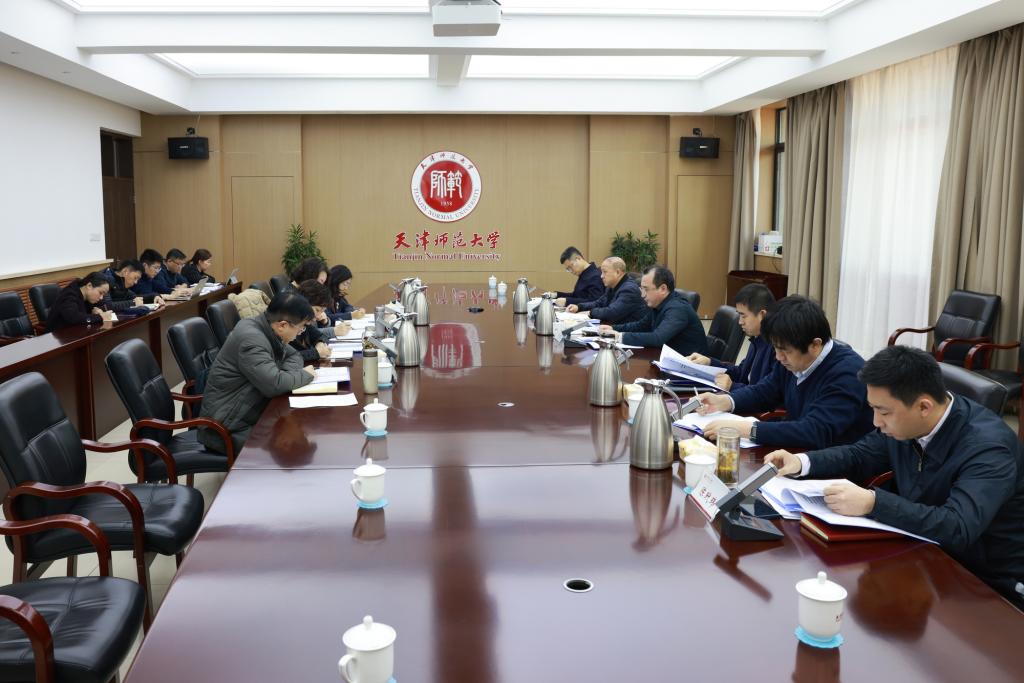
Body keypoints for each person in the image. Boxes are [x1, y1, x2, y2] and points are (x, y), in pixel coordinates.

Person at [764, 345, 1024, 608]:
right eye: (873, 409)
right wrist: (802, 462)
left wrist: (873, 503)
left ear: (924, 407)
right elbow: (860, 454)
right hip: (923, 549)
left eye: (884, 412)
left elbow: (957, 527)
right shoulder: (911, 423)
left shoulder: (989, 449)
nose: (876, 422)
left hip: (984, 583)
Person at [700, 295, 873, 450]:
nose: (778, 357)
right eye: (775, 348)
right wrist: (725, 401)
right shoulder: (792, 360)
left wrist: (747, 429)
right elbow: (765, 391)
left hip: (837, 465)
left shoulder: (848, 373)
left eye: (785, 350)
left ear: (815, 345)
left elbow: (815, 431)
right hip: (798, 453)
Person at [198, 291, 316, 454]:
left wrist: (283, 376)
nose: (300, 332)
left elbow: (294, 356)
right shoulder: (252, 339)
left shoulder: (267, 329)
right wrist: (305, 375)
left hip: (249, 412)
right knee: (283, 443)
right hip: (227, 428)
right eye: (301, 328)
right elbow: (274, 385)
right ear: (282, 325)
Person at [599, 265, 709, 356]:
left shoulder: (678, 309)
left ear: (663, 289)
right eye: (641, 289)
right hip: (667, 358)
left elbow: (657, 338)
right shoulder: (659, 304)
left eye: (646, 289)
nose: (642, 295)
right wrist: (613, 328)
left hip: (690, 367)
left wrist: (619, 336)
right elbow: (641, 325)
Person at [686, 283, 777, 390]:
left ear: (762, 315)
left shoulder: (777, 347)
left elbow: (768, 394)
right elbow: (741, 373)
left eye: (743, 316)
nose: (740, 322)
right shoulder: (757, 338)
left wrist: (732, 386)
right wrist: (709, 362)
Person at [565, 256, 645, 324]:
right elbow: (599, 303)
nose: (601, 276)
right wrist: (579, 307)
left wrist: (590, 312)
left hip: (627, 333)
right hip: (613, 329)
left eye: (605, 272)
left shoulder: (629, 289)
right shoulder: (611, 286)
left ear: (617, 272)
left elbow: (612, 313)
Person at [292, 280, 349, 362]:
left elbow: (320, 336)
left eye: (322, 311)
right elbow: (286, 359)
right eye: (317, 310)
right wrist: (316, 353)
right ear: (304, 303)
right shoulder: (289, 322)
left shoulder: (305, 323)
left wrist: (320, 344)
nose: (318, 316)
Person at [45, 272, 113, 332]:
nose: (101, 298)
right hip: (58, 336)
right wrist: (100, 316)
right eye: (100, 293)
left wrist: (99, 311)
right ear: (89, 286)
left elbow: (105, 305)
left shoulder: (87, 295)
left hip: (76, 332)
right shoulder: (68, 295)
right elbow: (74, 317)